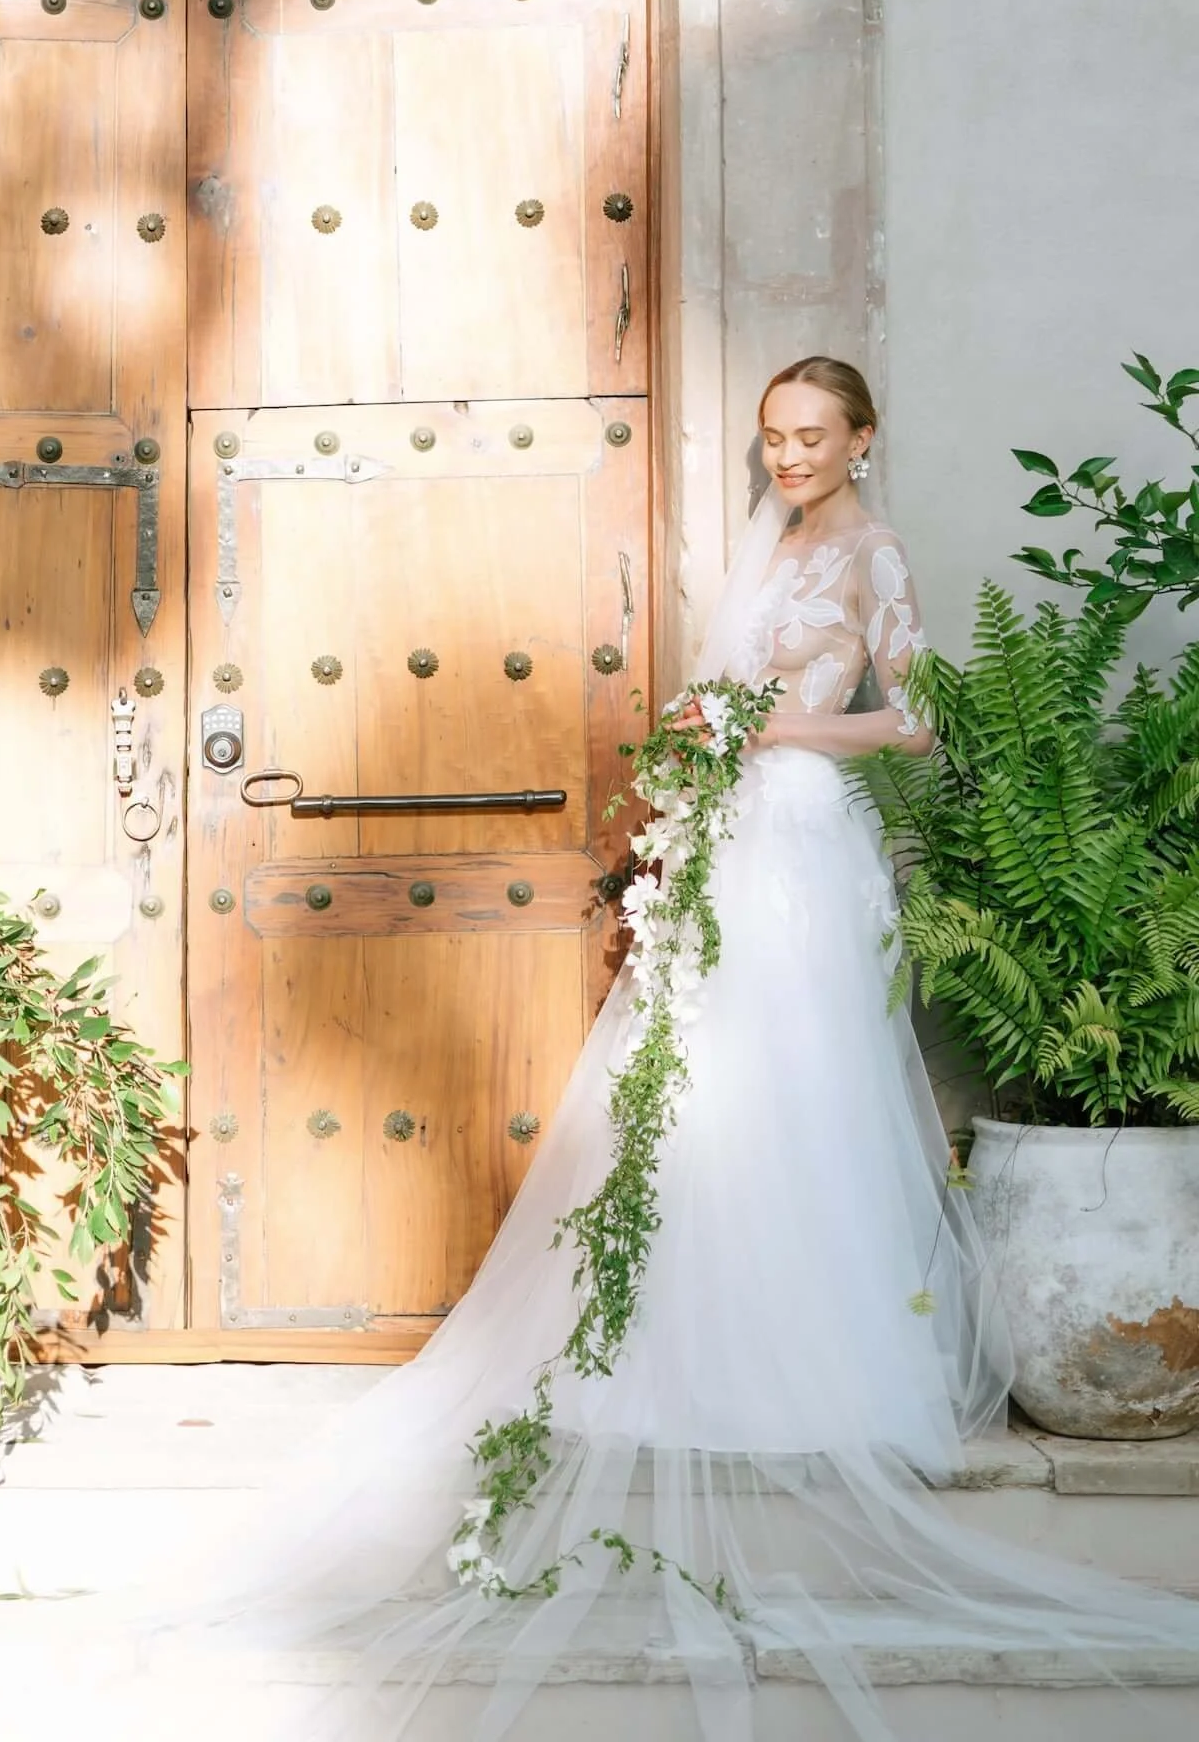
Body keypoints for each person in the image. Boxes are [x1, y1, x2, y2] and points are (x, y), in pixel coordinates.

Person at [173, 359, 1199, 1739]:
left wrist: (780, 728)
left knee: (799, 1096)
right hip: (732, 838)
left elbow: (917, 722)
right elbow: (724, 694)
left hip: (809, 842)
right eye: (774, 436)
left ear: (862, 439)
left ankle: (814, 1363)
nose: (789, 456)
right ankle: (671, 1345)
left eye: (813, 436)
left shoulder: (876, 554)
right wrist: (702, 748)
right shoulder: (769, 547)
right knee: (697, 1091)